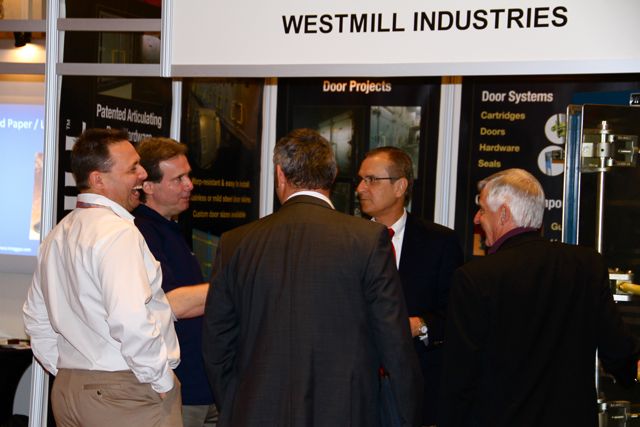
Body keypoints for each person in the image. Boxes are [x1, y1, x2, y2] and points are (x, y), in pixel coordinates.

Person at [202, 128, 422, 427]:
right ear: (333, 175)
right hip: (344, 413)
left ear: (280, 175)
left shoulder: (236, 242)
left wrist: (238, 404)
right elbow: (394, 342)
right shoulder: (367, 240)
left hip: (256, 411)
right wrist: (407, 414)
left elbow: (217, 343)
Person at [440, 168, 640, 427]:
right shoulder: (586, 265)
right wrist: (629, 376)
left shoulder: (475, 277)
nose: (477, 219)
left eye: (482, 210)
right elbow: (618, 350)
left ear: (504, 214)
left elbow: (459, 377)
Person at [22, 128, 182, 427]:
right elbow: (131, 318)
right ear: (98, 179)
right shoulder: (118, 233)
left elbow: (35, 318)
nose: (143, 174)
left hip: (71, 391)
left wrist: (70, 370)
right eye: (132, 168)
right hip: (125, 391)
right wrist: (160, 379)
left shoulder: (57, 234)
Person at [356, 146, 464, 426]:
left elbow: (455, 315)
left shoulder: (440, 243)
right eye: (361, 179)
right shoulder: (346, 240)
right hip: (357, 388)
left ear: (400, 186)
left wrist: (419, 325)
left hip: (415, 388)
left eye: (371, 180)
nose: (360, 188)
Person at [133, 137, 217, 427]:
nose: (189, 185)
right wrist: (235, 283)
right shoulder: (142, 232)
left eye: (188, 176)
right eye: (178, 179)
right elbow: (172, 304)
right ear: (148, 186)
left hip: (201, 384)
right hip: (178, 388)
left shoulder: (170, 229)